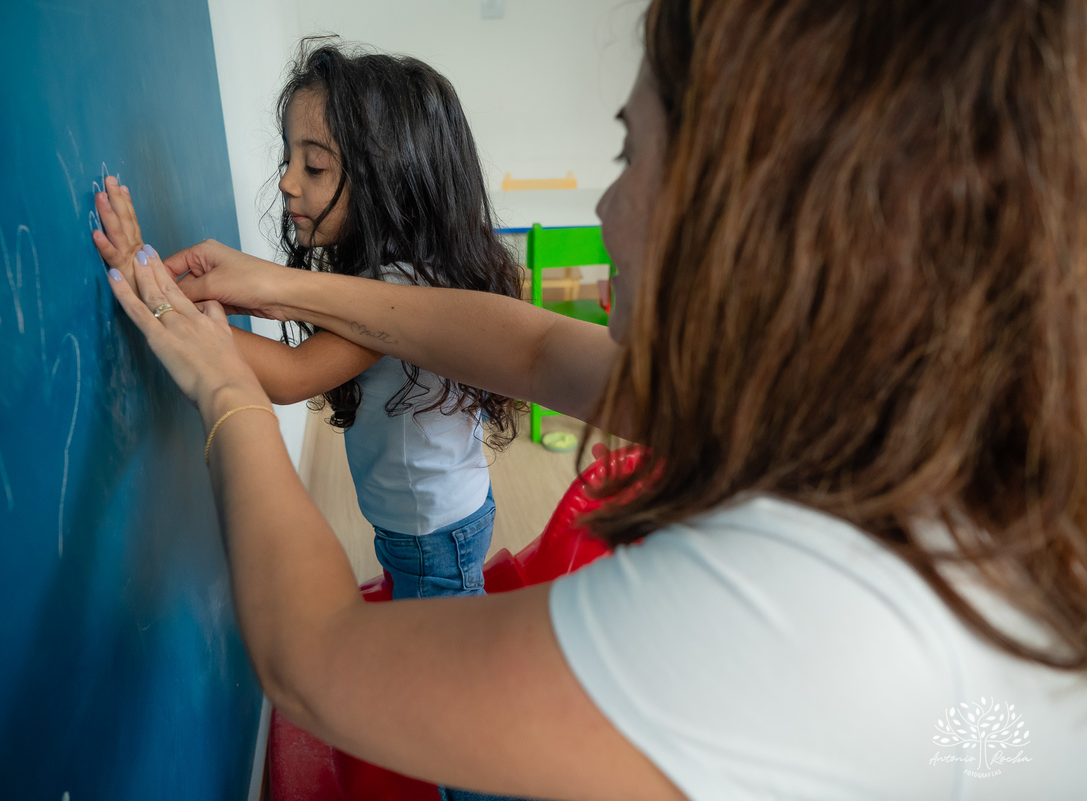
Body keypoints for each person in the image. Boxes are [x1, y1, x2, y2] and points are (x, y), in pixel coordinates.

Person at [99, 0, 1087, 798]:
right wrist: (276, 285)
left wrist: (224, 384)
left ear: (754, 211)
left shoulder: (793, 627)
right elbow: (527, 346)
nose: (607, 207)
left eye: (628, 151)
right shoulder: (869, 425)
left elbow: (313, 658)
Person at [93, 44, 524, 603]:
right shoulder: (392, 273)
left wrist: (151, 290)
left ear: (390, 179)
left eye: (314, 166)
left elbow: (292, 376)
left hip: (432, 534)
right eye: (288, 160)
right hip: (430, 521)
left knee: (443, 669)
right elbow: (273, 306)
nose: (287, 183)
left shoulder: (401, 288)